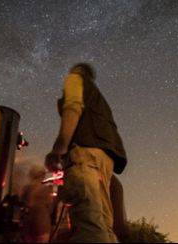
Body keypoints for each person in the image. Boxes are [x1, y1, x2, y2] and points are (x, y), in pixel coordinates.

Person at [45, 63, 127, 243]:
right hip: (105, 159)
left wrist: (59, 148)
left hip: (85, 156)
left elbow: (73, 107)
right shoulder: (100, 100)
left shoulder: (75, 79)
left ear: (79, 71)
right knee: (104, 225)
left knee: (88, 225)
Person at [20, 165, 54, 243]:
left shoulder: (26, 189)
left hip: (28, 224)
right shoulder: (46, 190)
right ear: (42, 176)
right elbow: (50, 208)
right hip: (42, 223)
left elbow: (22, 204)